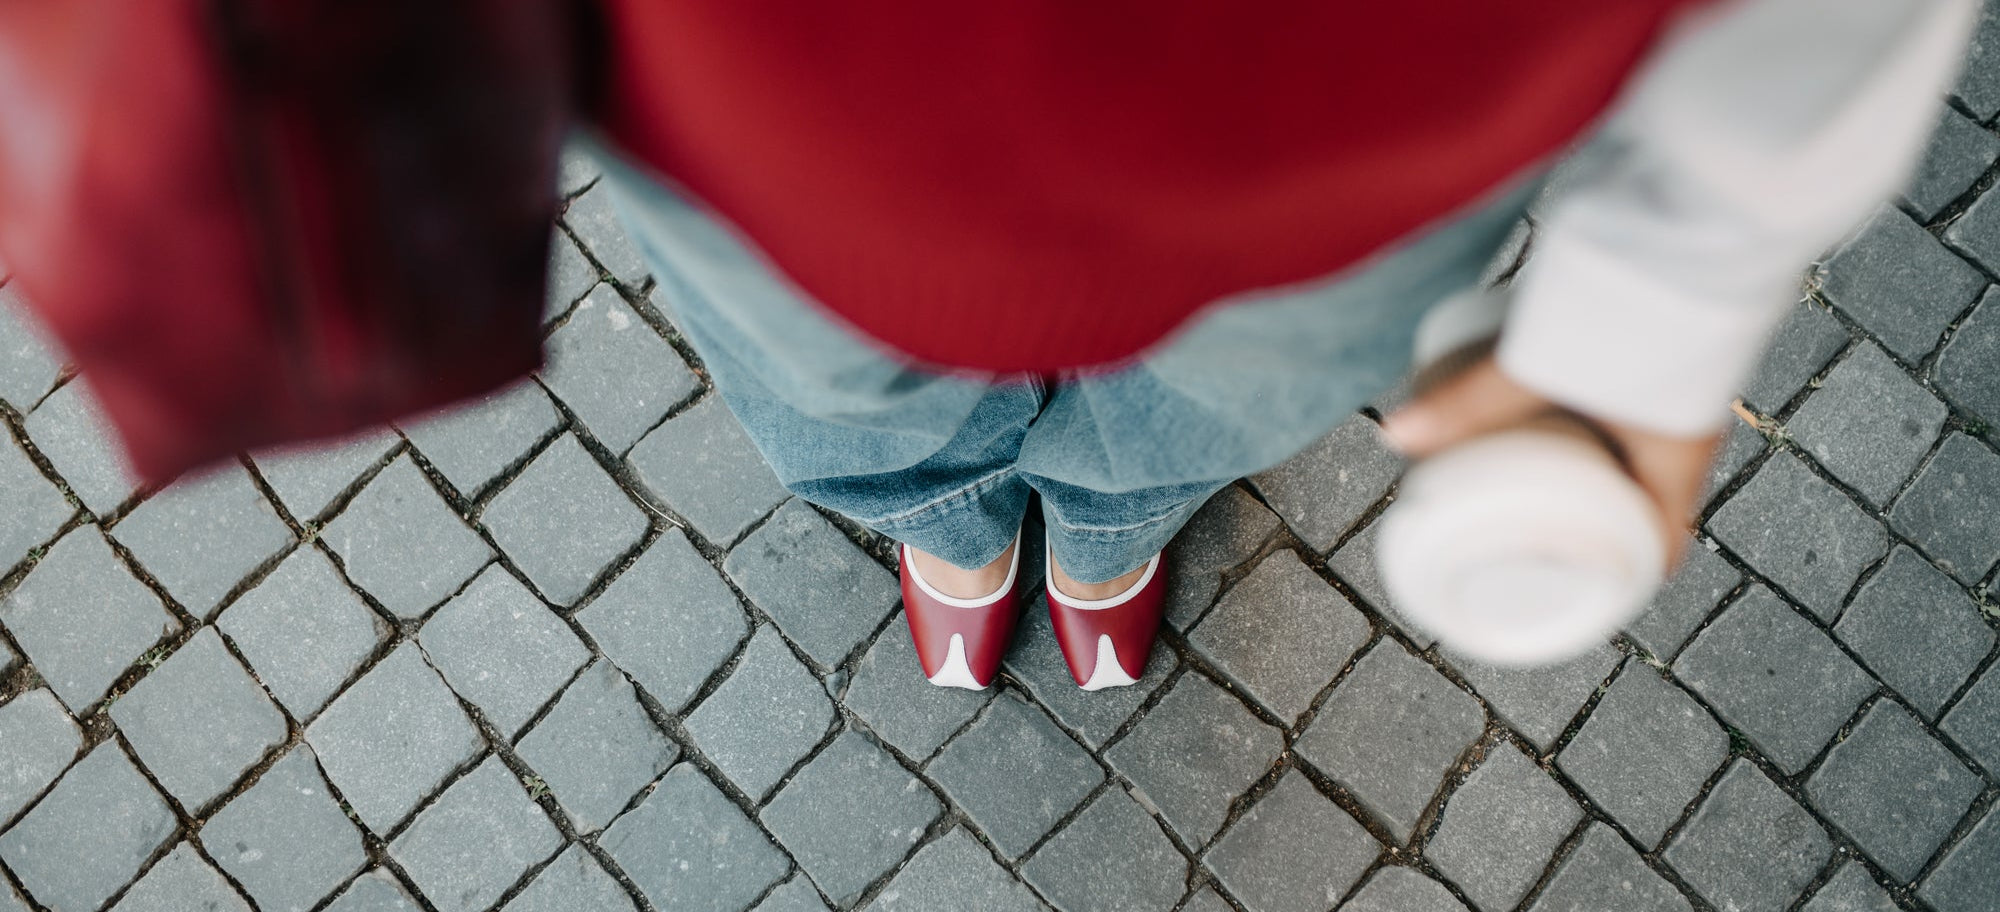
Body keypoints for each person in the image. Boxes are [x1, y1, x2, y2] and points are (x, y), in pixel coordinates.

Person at [580, 0, 1978, 689]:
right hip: (756, 120)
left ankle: (1109, 526)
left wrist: (1677, 282)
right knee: (836, 383)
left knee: (1220, 402)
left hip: (1361, 132)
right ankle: (949, 525)